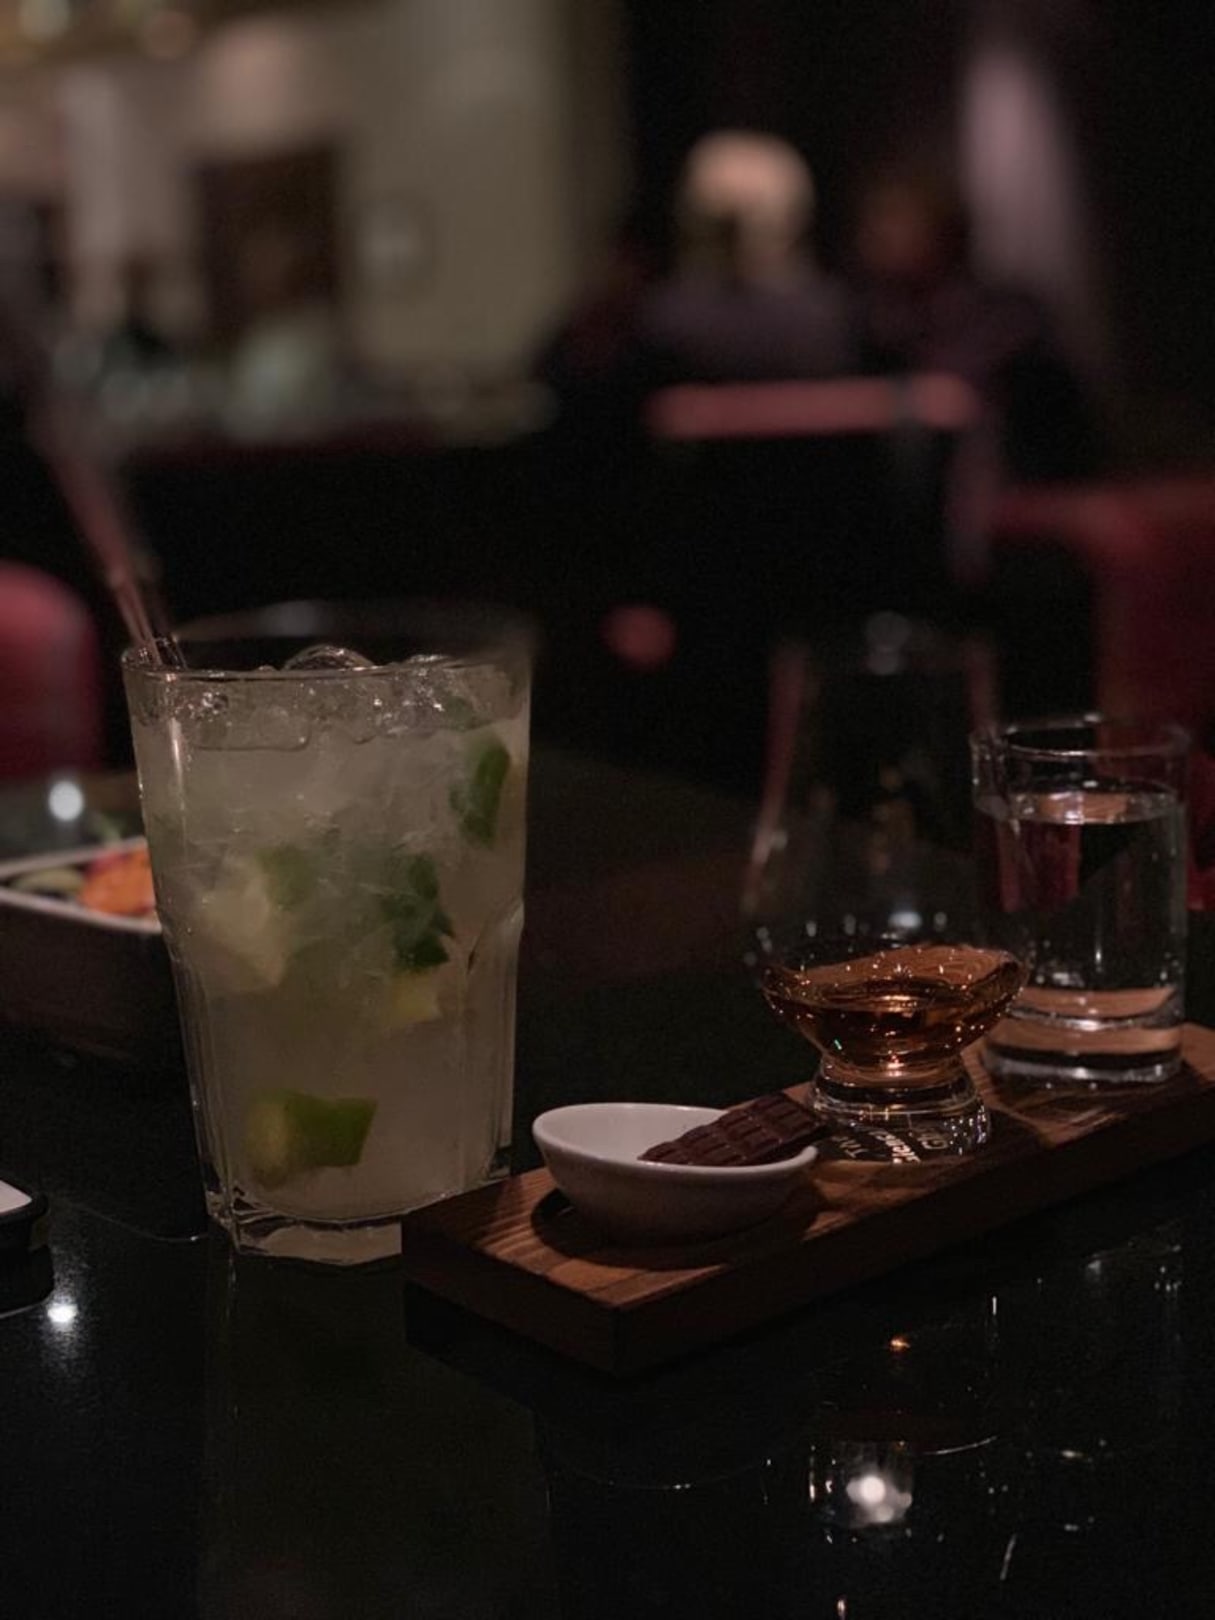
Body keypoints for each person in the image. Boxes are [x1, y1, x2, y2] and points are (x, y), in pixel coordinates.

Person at [850, 167, 1105, 481]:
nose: (880, 235)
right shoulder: (867, 326)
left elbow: (1062, 428)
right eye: (875, 223)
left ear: (945, 232)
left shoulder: (1009, 318)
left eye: (896, 220)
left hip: (1015, 488)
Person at [637, 130, 855, 384]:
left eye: (753, 207)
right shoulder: (828, 318)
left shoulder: (667, 321)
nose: (738, 228)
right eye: (726, 216)